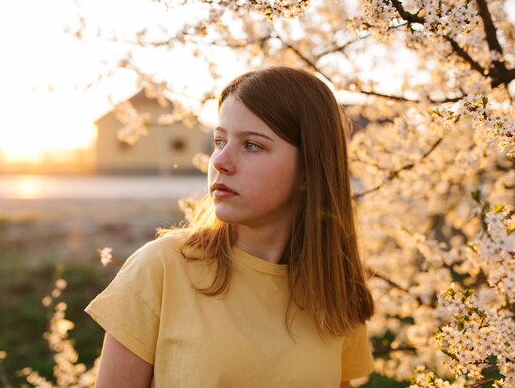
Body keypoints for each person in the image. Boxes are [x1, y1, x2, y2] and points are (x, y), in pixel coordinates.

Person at [85, 66, 375, 388]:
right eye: (219, 141)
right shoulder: (163, 268)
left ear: (308, 171)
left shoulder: (335, 290)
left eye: (252, 145)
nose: (220, 160)